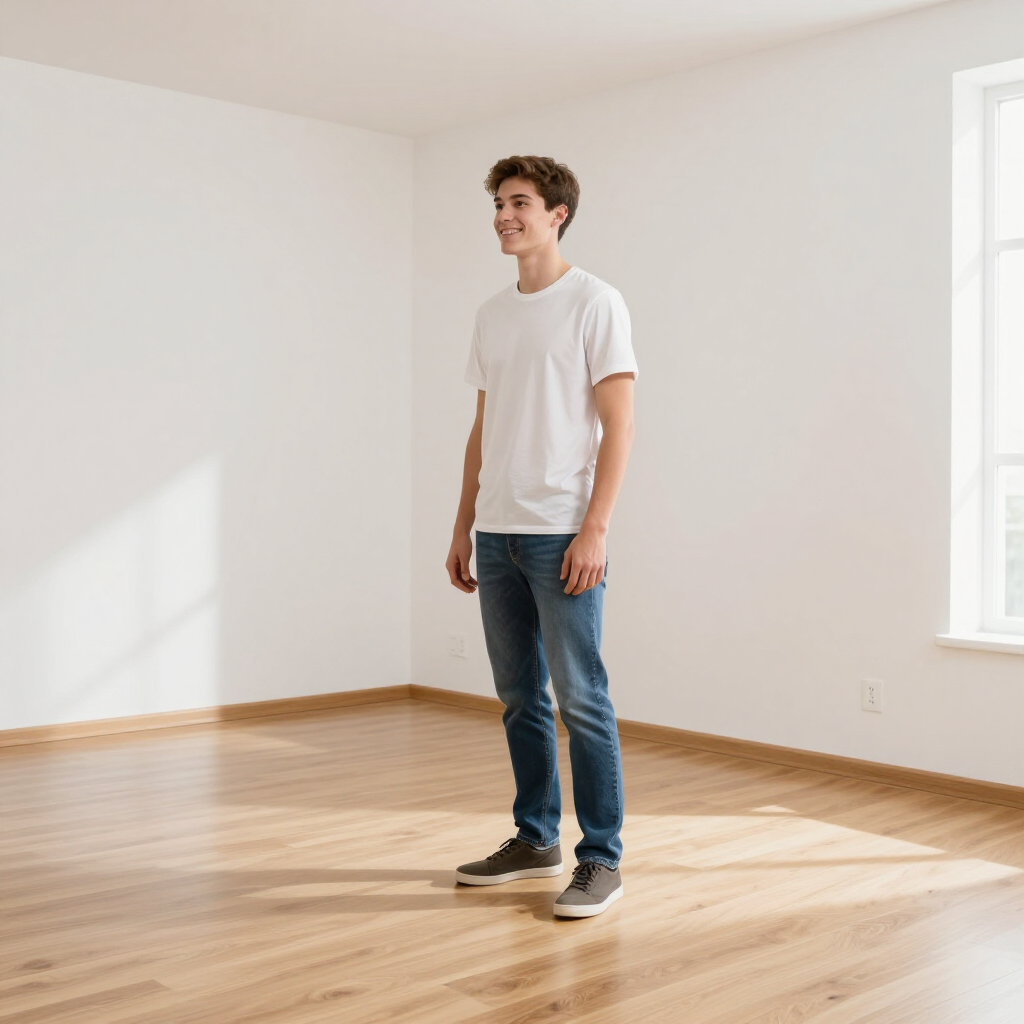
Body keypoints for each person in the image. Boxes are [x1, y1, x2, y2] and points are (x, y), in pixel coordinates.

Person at [445, 155, 638, 919]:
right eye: (498, 203)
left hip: (562, 534)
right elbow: (483, 427)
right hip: (497, 534)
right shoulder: (493, 313)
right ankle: (534, 838)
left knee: (582, 698)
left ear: (558, 213)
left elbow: (620, 423)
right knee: (519, 696)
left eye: (519, 202)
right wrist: (463, 522)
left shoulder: (595, 303)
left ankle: (601, 859)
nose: (503, 215)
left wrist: (595, 528)